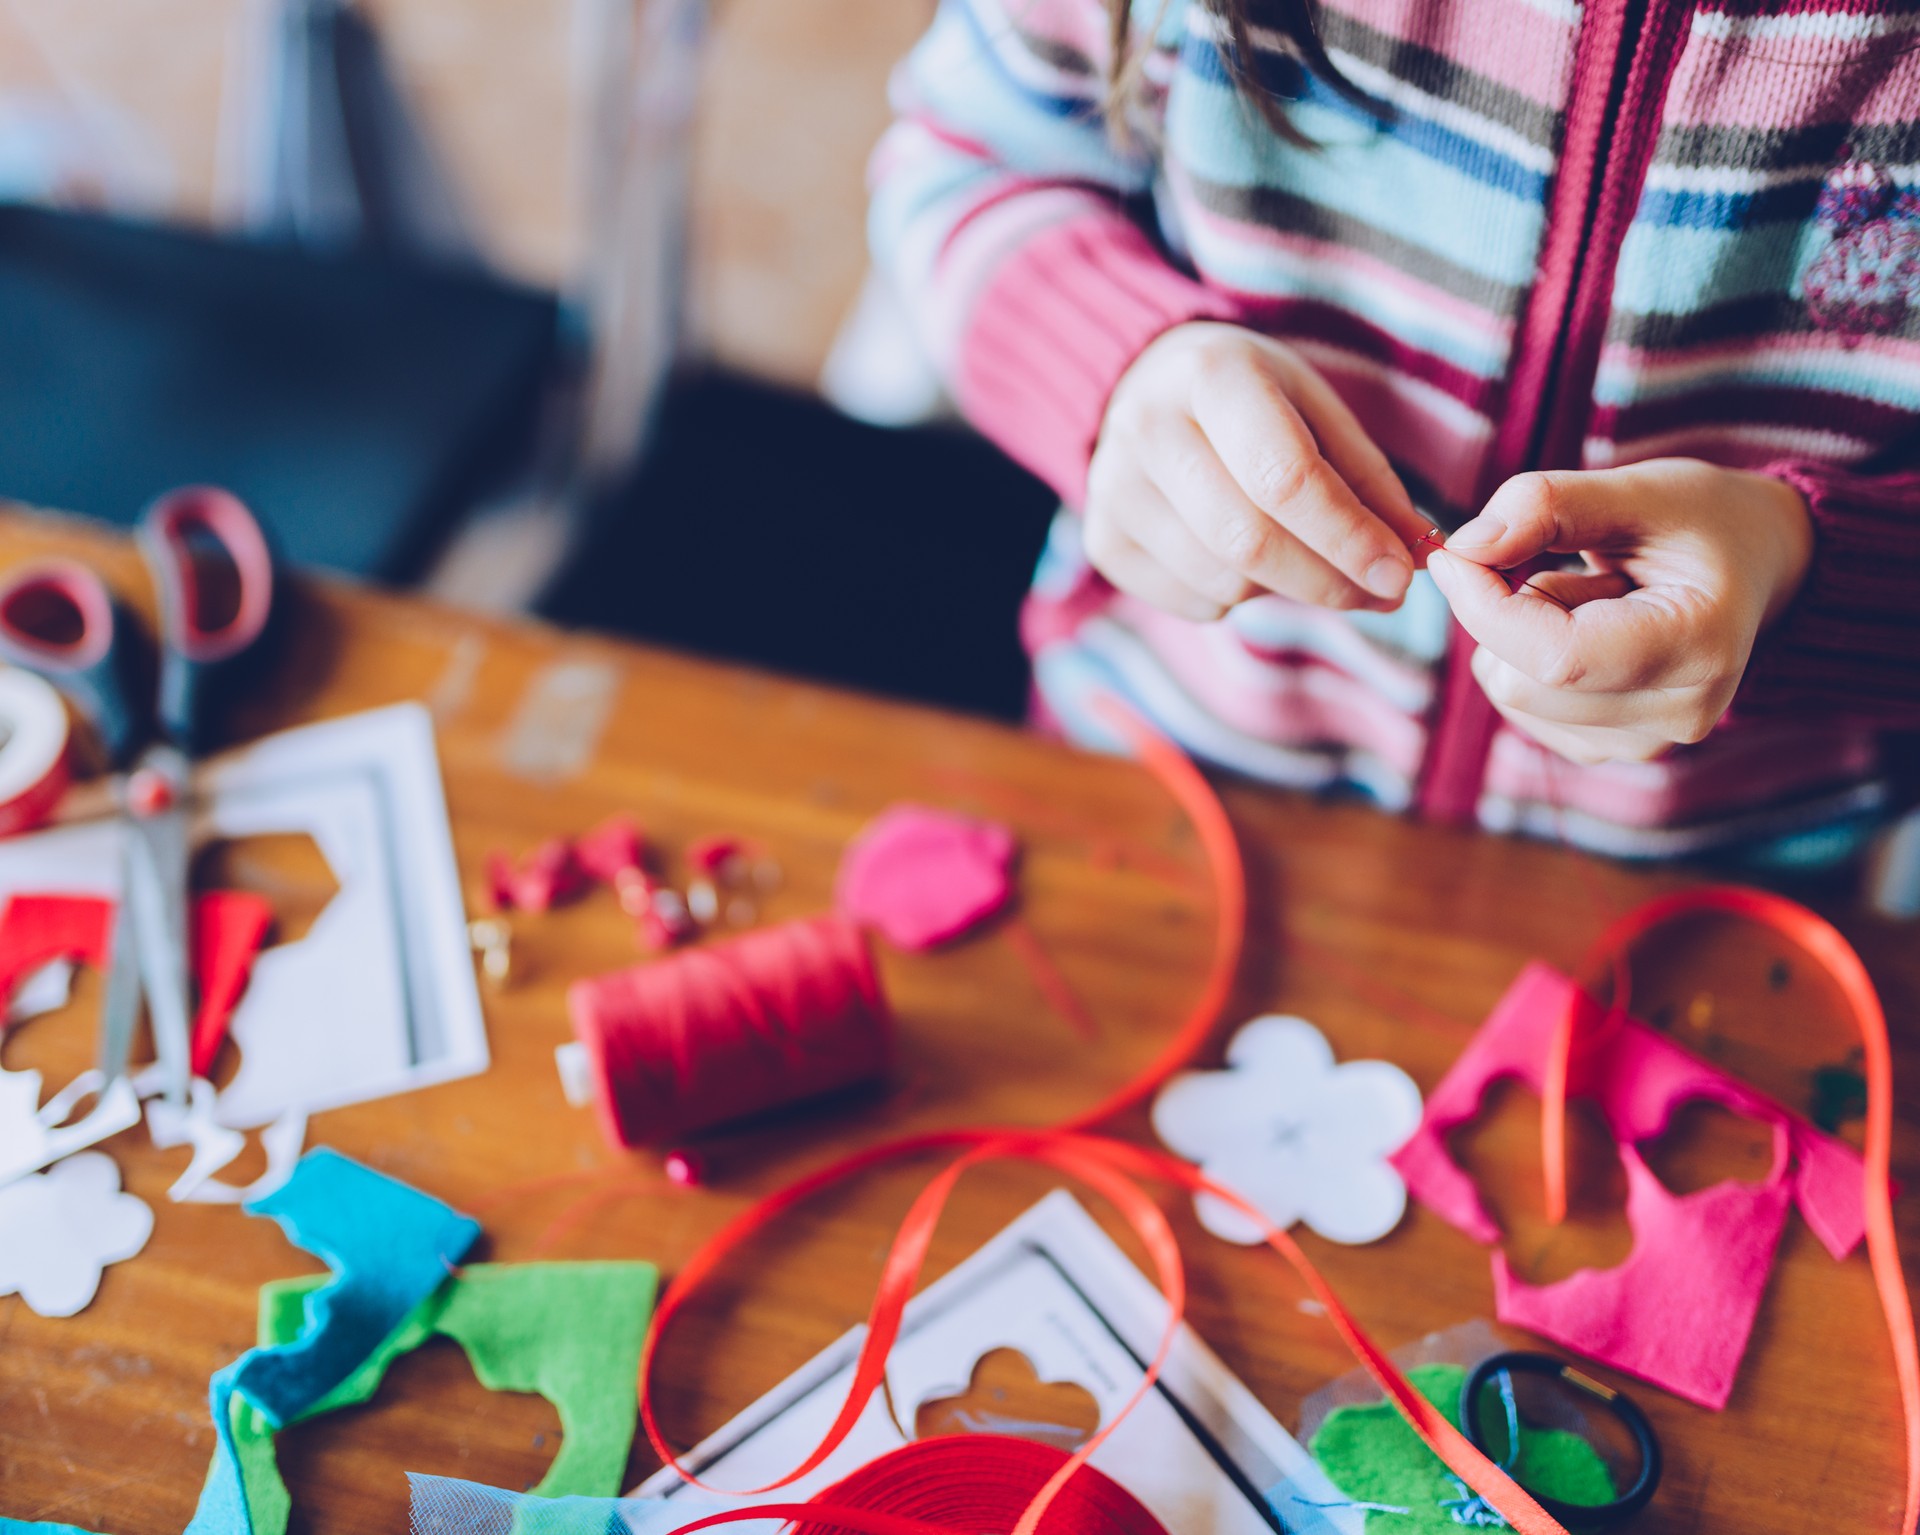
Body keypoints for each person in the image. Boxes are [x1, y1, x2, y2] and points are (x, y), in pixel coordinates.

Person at [867, 0, 1920, 863]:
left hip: (1736, 903)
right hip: (1151, 789)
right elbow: (962, 158)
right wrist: (1105, 368)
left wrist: (1800, 573)